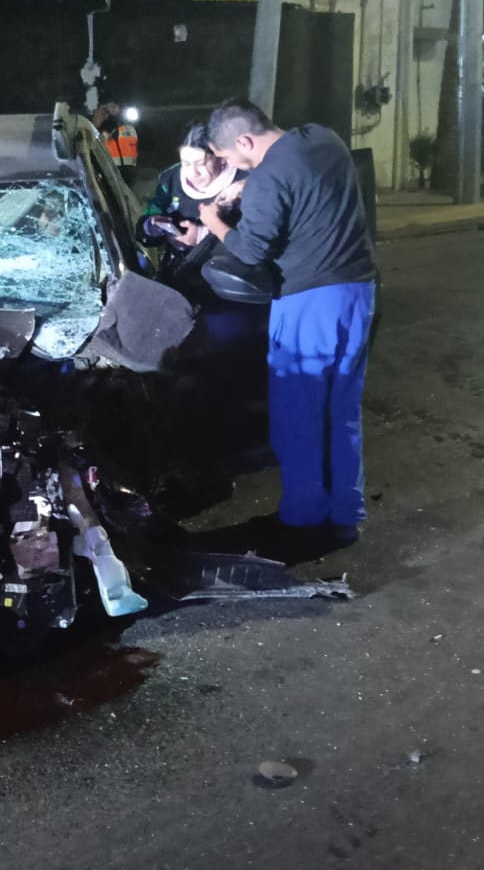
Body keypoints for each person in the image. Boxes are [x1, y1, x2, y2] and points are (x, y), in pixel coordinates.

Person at [197, 98, 377, 549]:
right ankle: (346, 512)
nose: (232, 166)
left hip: (308, 303)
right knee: (342, 411)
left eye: (230, 157)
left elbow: (250, 251)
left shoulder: (268, 180)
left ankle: (304, 515)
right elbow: (296, 179)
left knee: (299, 415)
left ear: (244, 140)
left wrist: (213, 221)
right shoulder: (324, 138)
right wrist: (250, 183)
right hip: (357, 293)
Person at [139, 122, 244, 251]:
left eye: (201, 164)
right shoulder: (171, 181)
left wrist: (202, 236)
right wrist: (150, 227)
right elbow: (153, 209)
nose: (193, 173)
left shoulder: (244, 181)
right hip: (180, 259)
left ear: (221, 157)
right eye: (186, 164)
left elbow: (254, 243)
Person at [92, 102, 139, 168]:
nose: (111, 110)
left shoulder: (128, 126)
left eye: (114, 106)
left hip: (130, 171)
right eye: (104, 111)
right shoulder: (97, 128)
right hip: (107, 172)